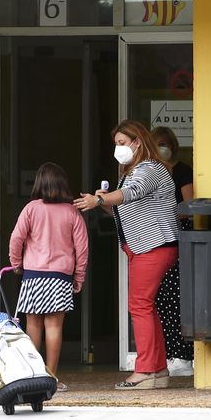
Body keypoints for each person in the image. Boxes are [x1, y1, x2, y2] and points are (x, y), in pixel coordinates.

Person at [74, 119, 178, 390]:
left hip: (153, 245)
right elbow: (125, 207)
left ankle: (144, 370)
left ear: (138, 142)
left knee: (140, 306)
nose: (118, 148)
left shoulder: (150, 169)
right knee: (146, 307)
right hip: (147, 246)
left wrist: (99, 200)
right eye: (116, 144)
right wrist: (105, 203)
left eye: (122, 143)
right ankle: (157, 370)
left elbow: (131, 194)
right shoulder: (133, 171)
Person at [10, 162, 88, 391]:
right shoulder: (72, 211)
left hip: (33, 275)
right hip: (60, 276)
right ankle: (51, 377)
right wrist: (79, 276)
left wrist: (16, 264)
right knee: (54, 327)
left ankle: (32, 378)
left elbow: (16, 238)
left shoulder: (31, 208)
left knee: (33, 326)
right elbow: (81, 248)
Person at [151, 126, 194, 377]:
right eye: (158, 143)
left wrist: (167, 214)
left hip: (178, 239)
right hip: (156, 239)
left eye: (165, 143)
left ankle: (184, 356)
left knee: (176, 299)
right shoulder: (149, 173)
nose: (162, 148)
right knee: (160, 301)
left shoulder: (181, 170)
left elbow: (188, 206)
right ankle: (168, 354)